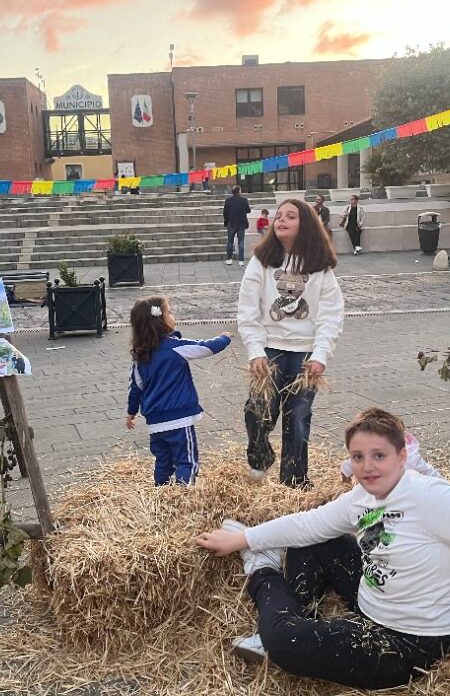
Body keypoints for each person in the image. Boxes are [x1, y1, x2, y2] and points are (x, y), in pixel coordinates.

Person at [196, 408, 450, 690]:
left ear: (402, 456)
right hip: (372, 601)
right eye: (358, 457)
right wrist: (242, 538)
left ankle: (262, 571)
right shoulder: (361, 498)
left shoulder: (433, 497)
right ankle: (298, 612)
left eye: (379, 455)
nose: (367, 467)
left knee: (283, 641)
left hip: (412, 640)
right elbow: (308, 524)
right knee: (310, 540)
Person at [238, 198, 344, 487]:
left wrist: (320, 354)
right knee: (257, 410)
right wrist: (255, 351)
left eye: (291, 216)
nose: (281, 220)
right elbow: (248, 311)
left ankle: (294, 482)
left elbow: (331, 315)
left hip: (305, 356)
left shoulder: (320, 267)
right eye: (279, 215)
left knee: (297, 418)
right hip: (269, 352)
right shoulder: (261, 262)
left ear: (305, 224)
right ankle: (260, 457)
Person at [126, 296, 231, 485]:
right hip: (180, 419)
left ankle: (160, 494)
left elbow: (135, 387)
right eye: (170, 312)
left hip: (155, 423)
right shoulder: (175, 347)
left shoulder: (140, 356)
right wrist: (224, 338)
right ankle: (183, 497)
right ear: (159, 321)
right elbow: (205, 347)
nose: (173, 315)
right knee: (187, 461)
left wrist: (131, 412)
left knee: (163, 462)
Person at [223, 185, 252, 267]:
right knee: (241, 242)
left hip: (231, 223)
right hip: (241, 223)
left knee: (230, 241)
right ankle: (241, 261)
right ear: (239, 191)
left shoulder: (228, 200)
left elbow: (225, 212)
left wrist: (226, 221)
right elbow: (248, 210)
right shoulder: (244, 200)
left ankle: (229, 259)